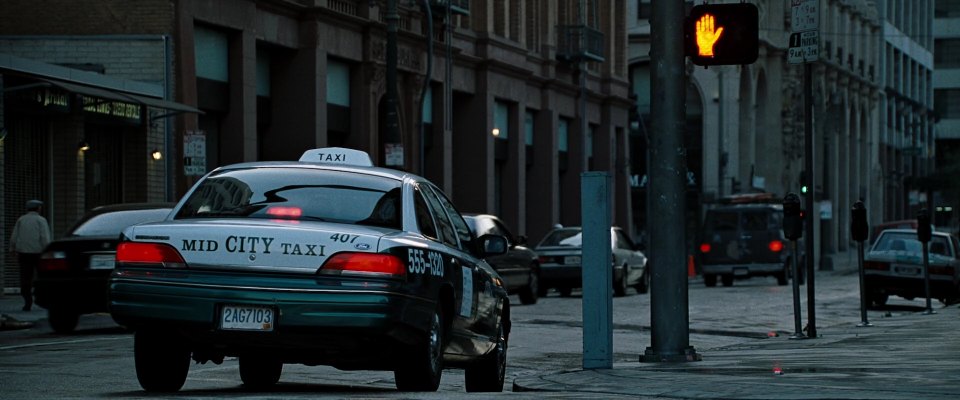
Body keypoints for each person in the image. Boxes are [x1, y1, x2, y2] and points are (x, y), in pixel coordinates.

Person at [9, 199, 50, 311]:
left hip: (23, 253)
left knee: (25, 277)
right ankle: (40, 296)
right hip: (38, 253)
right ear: (38, 208)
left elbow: (14, 235)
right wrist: (47, 250)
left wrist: (12, 248)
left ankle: (27, 301)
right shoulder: (41, 220)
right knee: (41, 276)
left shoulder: (21, 220)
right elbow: (45, 237)